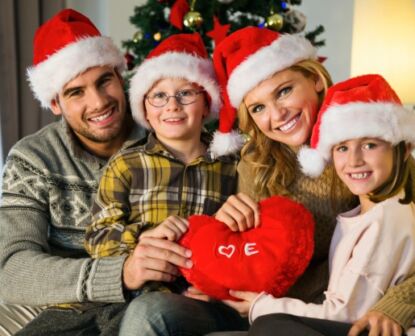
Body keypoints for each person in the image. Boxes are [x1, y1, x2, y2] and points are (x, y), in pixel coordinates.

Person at [202, 27, 415, 336]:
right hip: (284, 312)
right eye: (258, 108)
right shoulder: (257, 161)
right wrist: (229, 232)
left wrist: (397, 304)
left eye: (284, 91)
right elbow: (252, 260)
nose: (277, 114)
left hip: (352, 313)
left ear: (315, 80)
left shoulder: (371, 145)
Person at [0, 8, 198, 336]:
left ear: (120, 76)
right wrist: (120, 273)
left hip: (158, 300)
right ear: (55, 103)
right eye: (76, 92)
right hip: (71, 308)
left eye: (104, 81)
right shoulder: (33, 159)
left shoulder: (168, 135)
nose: (98, 102)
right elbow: (10, 271)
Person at [84, 32, 248, 336]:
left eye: (186, 93)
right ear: (145, 109)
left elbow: (249, 239)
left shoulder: (232, 165)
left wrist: (220, 284)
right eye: (159, 96)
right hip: (144, 296)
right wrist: (144, 237)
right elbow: (98, 236)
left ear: (206, 104)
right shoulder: (126, 165)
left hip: (209, 300)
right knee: (147, 312)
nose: (172, 105)